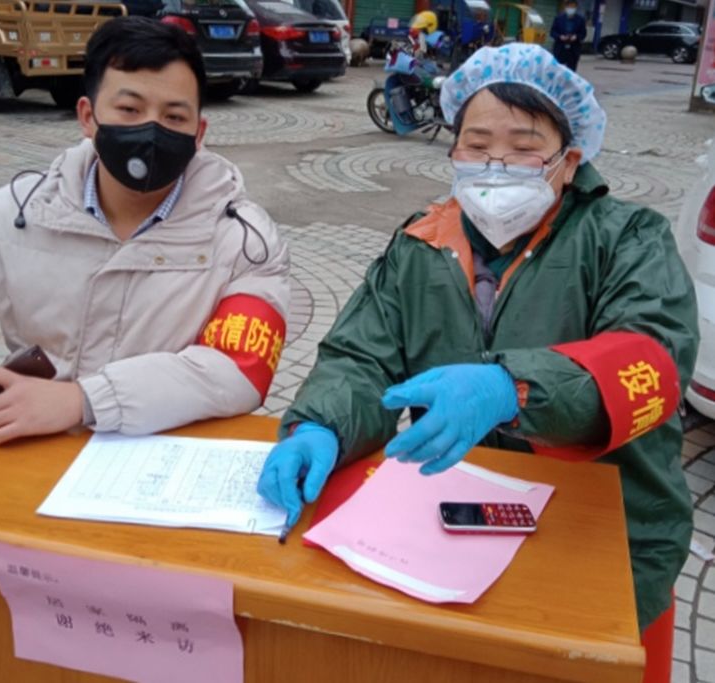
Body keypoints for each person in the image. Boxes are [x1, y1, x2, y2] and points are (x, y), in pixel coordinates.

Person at [257, 42, 697, 650]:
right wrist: (322, 425)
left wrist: (514, 388)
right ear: (453, 152)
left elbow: (652, 355)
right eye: (478, 145)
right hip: (451, 521)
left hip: (606, 535)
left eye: (523, 147)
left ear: (569, 161)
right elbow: (361, 356)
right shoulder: (420, 244)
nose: (496, 165)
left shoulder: (627, 239)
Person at [0, 16, 289, 445]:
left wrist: (84, 400)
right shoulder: (2, 220)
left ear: (199, 133)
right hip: (27, 454)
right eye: (130, 110)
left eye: (174, 116)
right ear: (87, 116)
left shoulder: (247, 243)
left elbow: (238, 369)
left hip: (156, 463)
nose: (151, 131)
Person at [550, 0, 587, 71]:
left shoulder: (580, 20)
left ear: (576, 8)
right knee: (557, 69)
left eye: (573, 6)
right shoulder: (558, 18)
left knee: (571, 70)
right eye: (569, 6)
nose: (571, 8)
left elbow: (583, 33)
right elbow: (552, 32)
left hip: (573, 50)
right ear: (565, 7)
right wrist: (560, 36)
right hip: (560, 49)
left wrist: (576, 37)